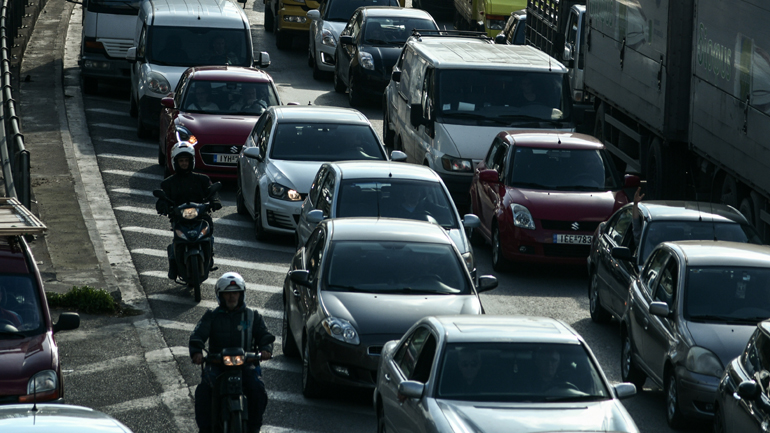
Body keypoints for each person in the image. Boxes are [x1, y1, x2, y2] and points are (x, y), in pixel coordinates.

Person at [189, 272, 274, 433]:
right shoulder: (211, 316)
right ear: (220, 296)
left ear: (241, 294)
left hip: (246, 364)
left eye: (235, 293)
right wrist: (196, 352)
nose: (231, 297)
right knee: (203, 392)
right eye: (227, 293)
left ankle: (254, 427)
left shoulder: (252, 316)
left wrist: (266, 350)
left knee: (257, 390)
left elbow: (265, 335)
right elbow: (197, 335)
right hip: (217, 365)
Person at [156, 141, 222, 280]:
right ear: (176, 162)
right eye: (181, 161)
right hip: (179, 218)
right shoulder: (168, 183)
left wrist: (215, 201)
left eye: (187, 160)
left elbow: (212, 191)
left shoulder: (202, 179)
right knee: (175, 241)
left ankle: (209, 257)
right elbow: (162, 198)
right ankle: (174, 265)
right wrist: (163, 206)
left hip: (200, 216)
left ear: (192, 161)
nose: (184, 163)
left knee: (210, 232)